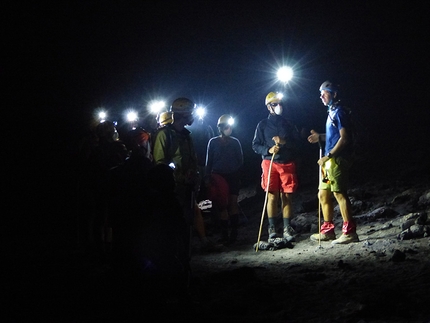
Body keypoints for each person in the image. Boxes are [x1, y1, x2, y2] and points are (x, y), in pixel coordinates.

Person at [152, 97, 222, 253]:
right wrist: (178, 176)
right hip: (172, 187)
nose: (192, 116)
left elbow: (192, 158)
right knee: (176, 217)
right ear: (183, 113)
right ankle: (175, 248)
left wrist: (195, 175)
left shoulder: (186, 135)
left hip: (188, 184)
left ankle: (200, 242)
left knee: (194, 211)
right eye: (190, 112)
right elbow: (159, 163)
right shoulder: (164, 135)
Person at [307, 80, 359, 244]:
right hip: (329, 164)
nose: (321, 95)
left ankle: (350, 232)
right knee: (323, 192)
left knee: (339, 193)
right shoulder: (332, 112)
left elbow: (344, 139)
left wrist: (328, 156)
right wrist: (320, 137)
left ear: (334, 94)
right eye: (320, 92)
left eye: (325, 92)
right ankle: (328, 230)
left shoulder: (340, 112)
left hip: (337, 161)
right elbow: (333, 136)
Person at [252, 92, 301, 243]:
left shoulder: (289, 123)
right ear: (268, 107)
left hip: (286, 162)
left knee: (286, 196)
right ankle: (272, 228)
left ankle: (287, 227)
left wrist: (284, 142)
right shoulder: (262, 125)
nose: (279, 106)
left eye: (280, 103)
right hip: (270, 163)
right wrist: (268, 150)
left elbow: (298, 143)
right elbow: (255, 145)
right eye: (274, 104)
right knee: (271, 196)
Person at [205, 114, 243, 245]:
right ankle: (224, 235)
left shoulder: (235, 142)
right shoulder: (213, 142)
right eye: (226, 126)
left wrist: (235, 172)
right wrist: (207, 177)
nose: (229, 128)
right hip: (218, 176)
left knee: (233, 203)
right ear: (220, 128)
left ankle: (234, 234)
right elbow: (208, 162)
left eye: (230, 126)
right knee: (222, 206)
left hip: (232, 175)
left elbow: (240, 160)